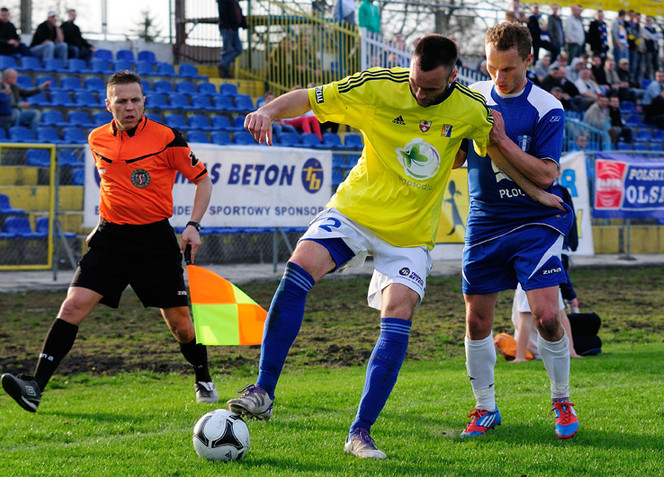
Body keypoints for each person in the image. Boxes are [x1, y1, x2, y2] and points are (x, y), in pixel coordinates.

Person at [225, 34, 497, 460]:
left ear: (454, 76)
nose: (420, 93)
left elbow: (485, 147)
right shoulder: (378, 85)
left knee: (399, 313)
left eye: (430, 88)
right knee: (297, 270)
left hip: (409, 234)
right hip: (355, 210)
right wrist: (267, 111)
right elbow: (310, 98)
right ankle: (263, 389)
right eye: (415, 84)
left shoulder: (471, 107)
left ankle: (360, 432)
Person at [0, 71, 217, 413]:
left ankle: (202, 376)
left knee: (181, 325)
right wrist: (101, 223)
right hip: (111, 239)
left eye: (135, 100)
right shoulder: (97, 138)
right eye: (121, 101)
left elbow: (203, 182)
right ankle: (35, 387)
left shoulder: (168, 138)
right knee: (71, 307)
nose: (129, 107)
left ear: (144, 101)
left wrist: (193, 226)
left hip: (155, 241)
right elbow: (110, 185)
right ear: (108, 104)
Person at [459, 21, 579, 440]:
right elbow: (456, 153)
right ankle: (485, 408)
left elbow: (547, 175)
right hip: (486, 219)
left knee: (546, 316)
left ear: (527, 60)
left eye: (508, 69)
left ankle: (561, 398)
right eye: (492, 67)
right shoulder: (471, 96)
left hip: (536, 221)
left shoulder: (547, 107)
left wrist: (503, 140)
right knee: (477, 322)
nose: (498, 77)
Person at [217, 0, 246, 79]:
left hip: (234, 28)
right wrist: (228, 26)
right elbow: (223, 13)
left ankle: (223, 65)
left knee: (238, 49)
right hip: (227, 28)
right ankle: (224, 68)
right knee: (227, 49)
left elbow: (238, 14)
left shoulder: (235, 2)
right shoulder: (224, 1)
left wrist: (243, 24)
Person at [641, 16, 662, 81]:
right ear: (644, 21)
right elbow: (652, 37)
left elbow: (660, 35)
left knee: (656, 66)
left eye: (649, 20)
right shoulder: (644, 29)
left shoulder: (653, 29)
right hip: (648, 50)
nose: (648, 22)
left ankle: (657, 79)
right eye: (647, 20)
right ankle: (649, 79)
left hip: (655, 50)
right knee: (648, 66)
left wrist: (654, 36)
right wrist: (655, 36)